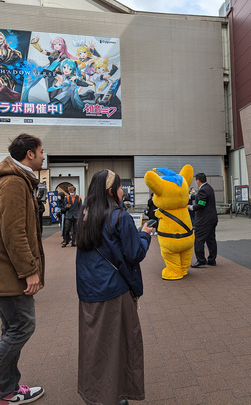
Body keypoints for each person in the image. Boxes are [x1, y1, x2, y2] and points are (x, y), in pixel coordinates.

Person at [76, 169, 152, 405]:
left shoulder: (85, 214)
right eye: (120, 187)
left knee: (93, 344)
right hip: (114, 291)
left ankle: (93, 392)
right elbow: (134, 253)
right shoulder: (120, 217)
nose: (123, 191)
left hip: (88, 289)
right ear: (111, 191)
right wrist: (145, 234)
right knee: (119, 345)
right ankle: (113, 396)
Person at [0, 133, 45, 404]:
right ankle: (6, 388)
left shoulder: (19, 181)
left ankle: (7, 389)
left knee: (13, 328)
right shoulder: (15, 182)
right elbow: (14, 231)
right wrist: (29, 270)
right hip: (10, 274)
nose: (43, 155)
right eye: (41, 151)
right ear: (29, 154)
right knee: (22, 327)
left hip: (8, 273)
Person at [188, 173, 218, 267]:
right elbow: (199, 197)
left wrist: (191, 207)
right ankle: (212, 260)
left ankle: (201, 260)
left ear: (198, 180)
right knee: (211, 240)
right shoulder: (208, 188)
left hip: (204, 221)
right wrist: (190, 196)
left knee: (198, 240)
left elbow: (201, 204)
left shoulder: (203, 190)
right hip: (212, 219)